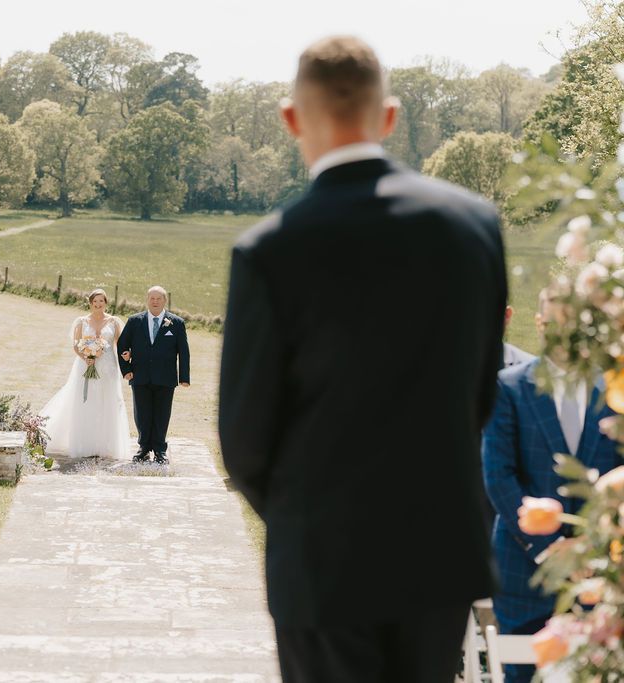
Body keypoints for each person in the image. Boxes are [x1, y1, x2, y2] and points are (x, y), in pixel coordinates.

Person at [218, 36, 507, 683]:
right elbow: (479, 394)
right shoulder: (474, 226)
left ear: (291, 118)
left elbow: (244, 442)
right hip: (439, 553)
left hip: (322, 564)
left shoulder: (268, 251)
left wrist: (309, 515)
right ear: (391, 116)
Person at [483, 289, 621, 683]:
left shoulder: (614, 391)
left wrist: (591, 551)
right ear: (541, 324)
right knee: (523, 675)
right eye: (555, 322)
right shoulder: (508, 386)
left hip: (600, 574)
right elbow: (498, 477)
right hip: (523, 571)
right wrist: (551, 548)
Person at [40, 289, 132, 460]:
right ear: (90, 303)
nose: (98, 305)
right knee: (86, 401)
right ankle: (85, 444)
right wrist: (86, 357)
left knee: (108, 402)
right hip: (85, 366)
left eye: (101, 302)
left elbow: (121, 344)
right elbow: (76, 345)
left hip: (108, 367)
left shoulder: (114, 322)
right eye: (94, 302)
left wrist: (128, 356)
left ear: (106, 303)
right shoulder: (81, 322)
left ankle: (106, 446)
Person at [117, 286, 190, 464]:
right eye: (152, 298)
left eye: (159, 298)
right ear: (147, 300)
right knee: (142, 414)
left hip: (165, 378)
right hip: (140, 376)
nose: (155, 301)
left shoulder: (177, 323)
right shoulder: (135, 321)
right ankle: (143, 448)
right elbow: (122, 345)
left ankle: (159, 450)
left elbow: (184, 351)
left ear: (165, 300)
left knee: (162, 414)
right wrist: (126, 370)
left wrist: (184, 378)